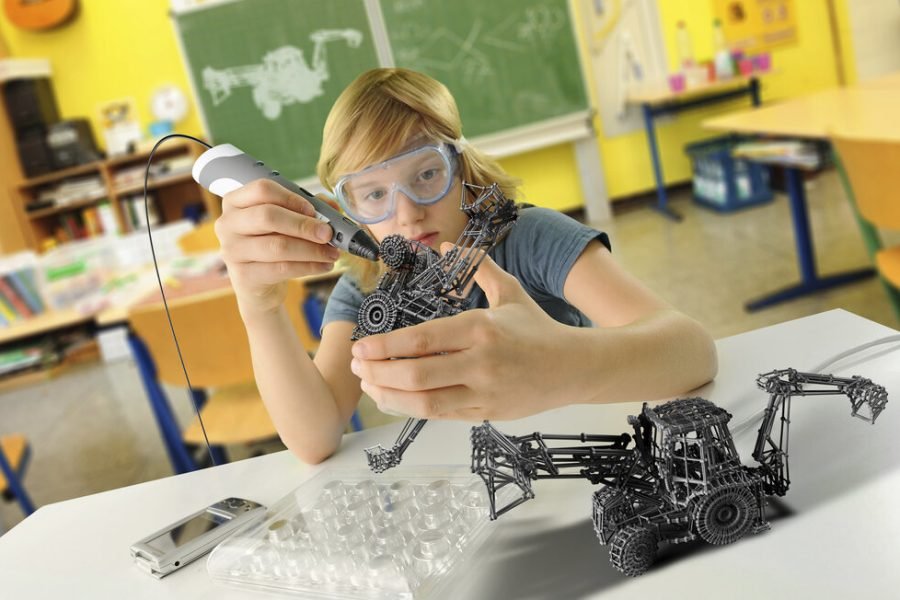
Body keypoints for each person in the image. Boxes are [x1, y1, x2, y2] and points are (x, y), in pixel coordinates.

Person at [214, 68, 718, 464]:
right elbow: (314, 438)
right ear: (346, 211)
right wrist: (259, 309)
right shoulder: (364, 293)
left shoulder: (528, 239)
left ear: (460, 167)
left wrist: (562, 367)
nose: (408, 214)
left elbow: (692, 353)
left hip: (574, 461)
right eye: (374, 194)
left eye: (426, 174)